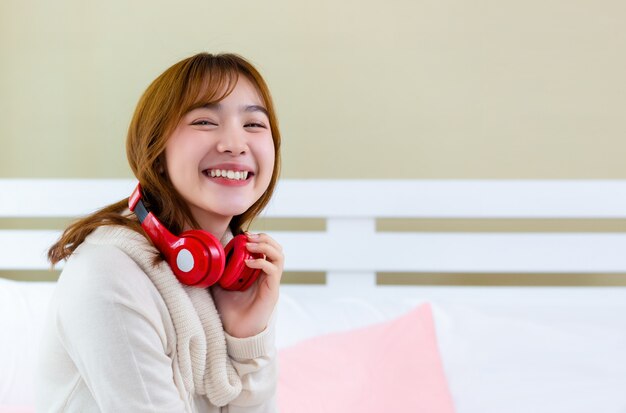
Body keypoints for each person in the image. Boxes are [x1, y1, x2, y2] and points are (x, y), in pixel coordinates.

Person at [37, 52, 283, 412]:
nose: (235, 143)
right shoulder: (107, 275)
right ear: (156, 150)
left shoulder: (239, 273)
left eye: (254, 125)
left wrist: (247, 338)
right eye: (204, 121)